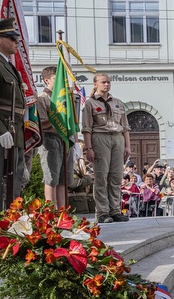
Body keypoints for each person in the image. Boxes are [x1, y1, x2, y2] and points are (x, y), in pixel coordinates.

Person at [81, 73, 131, 223]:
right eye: (103, 82)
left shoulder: (118, 103)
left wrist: (127, 146)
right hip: (100, 137)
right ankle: (102, 212)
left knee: (116, 176)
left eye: (108, 82)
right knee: (101, 176)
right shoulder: (90, 103)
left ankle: (115, 210)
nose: (107, 85)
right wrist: (88, 148)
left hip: (117, 138)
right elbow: (86, 128)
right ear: (95, 84)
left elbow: (125, 127)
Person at [35, 65, 74, 207]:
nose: (61, 81)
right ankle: (51, 211)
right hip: (50, 138)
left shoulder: (65, 99)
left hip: (65, 139)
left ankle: (62, 211)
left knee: (64, 178)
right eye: (56, 78)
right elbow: (42, 123)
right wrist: (58, 119)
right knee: (51, 177)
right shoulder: (42, 99)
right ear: (47, 80)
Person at [0, 18, 27, 205]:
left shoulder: (8, 66)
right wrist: (1, 130)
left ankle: (11, 219)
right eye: (12, 38)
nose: (16, 42)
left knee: (13, 183)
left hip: (14, 131)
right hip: (4, 130)